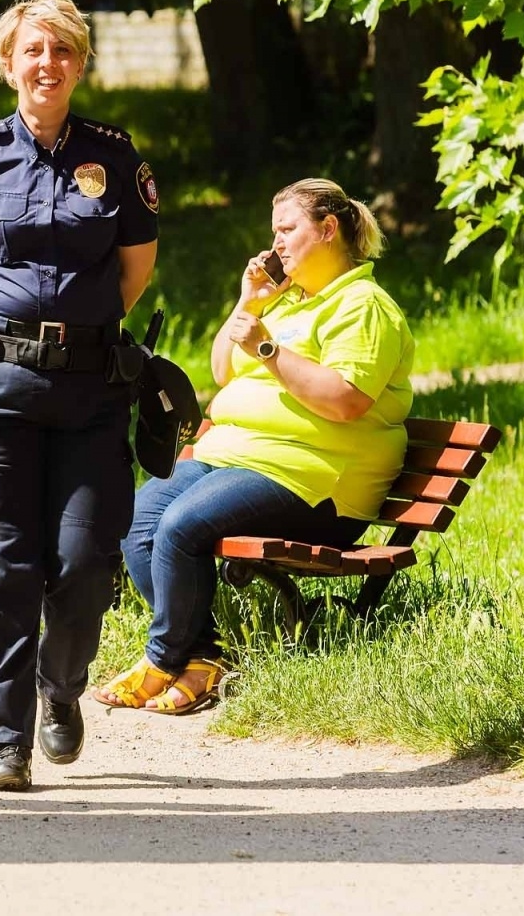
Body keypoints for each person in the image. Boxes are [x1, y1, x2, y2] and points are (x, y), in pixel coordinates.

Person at [0, 0, 160, 791]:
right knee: (3, 570)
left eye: (62, 51)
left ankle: (60, 691)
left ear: (80, 64)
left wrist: (77, 332)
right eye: (33, 50)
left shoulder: (118, 157)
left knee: (84, 565)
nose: (47, 65)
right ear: (7, 63)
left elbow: (134, 269)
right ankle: (5, 743)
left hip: (92, 394)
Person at [96, 178, 414, 714]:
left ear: (329, 229)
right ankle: (201, 659)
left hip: (319, 479)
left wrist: (265, 346)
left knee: (181, 527)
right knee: (140, 520)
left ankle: (162, 659)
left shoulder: (362, 306)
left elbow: (344, 401)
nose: (275, 245)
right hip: (239, 458)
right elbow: (223, 368)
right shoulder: (288, 303)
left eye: (287, 229)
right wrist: (250, 303)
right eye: (274, 232)